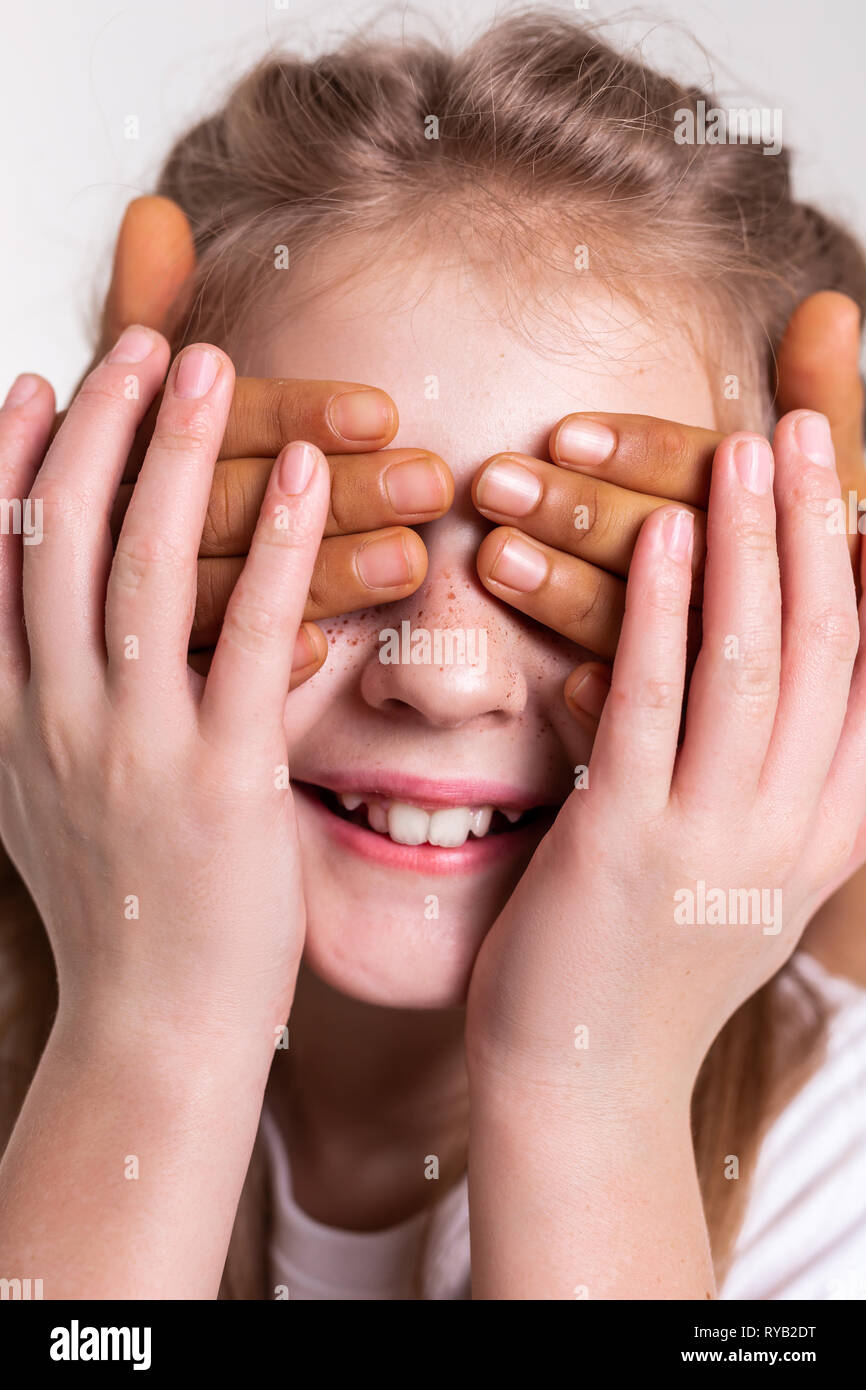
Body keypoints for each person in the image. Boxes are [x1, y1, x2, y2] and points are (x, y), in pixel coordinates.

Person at [1, 12, 866, 1300]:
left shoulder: (833, 1167)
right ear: (125, 539)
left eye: (588, 578)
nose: (441, 673)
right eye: (343, 538)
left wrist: (592, 1086)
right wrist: (149, 1039)